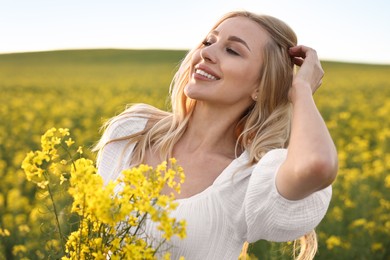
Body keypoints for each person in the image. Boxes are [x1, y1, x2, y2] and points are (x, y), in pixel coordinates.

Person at [94, 10, 338, 260]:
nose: (206, 53)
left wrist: (302, 90)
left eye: (232, 50)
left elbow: (317, 165)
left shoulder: (247, 179)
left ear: (260, 86)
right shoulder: (132, 132)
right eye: (209, 42)